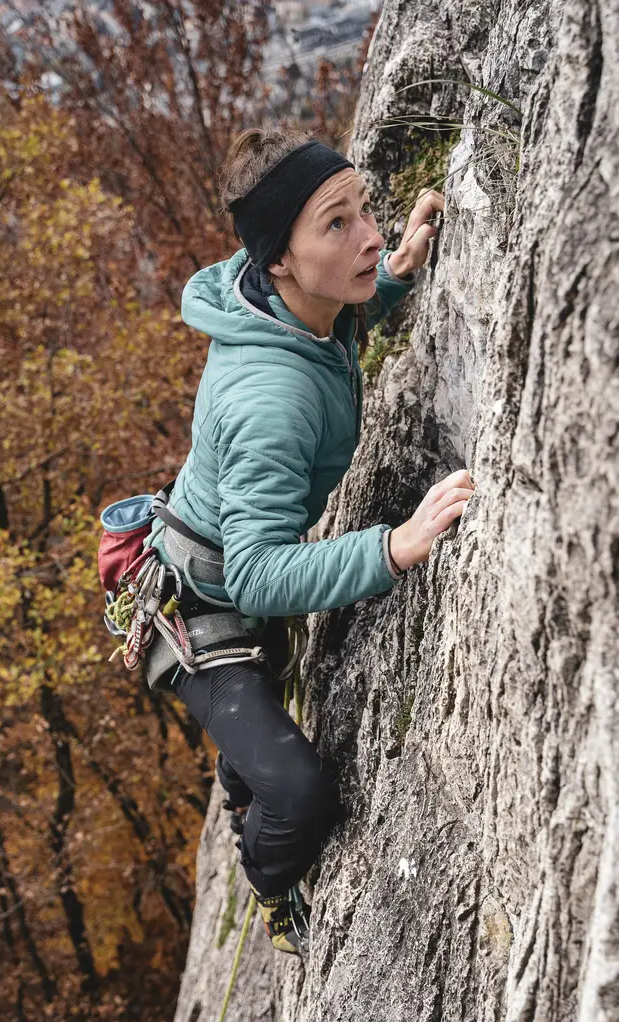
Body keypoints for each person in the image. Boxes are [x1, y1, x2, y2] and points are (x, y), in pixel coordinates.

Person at [142, 124, 475, 954]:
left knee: (263, 739)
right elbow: (254, 577)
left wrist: (392, 274)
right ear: (278, 259)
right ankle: (267, 881)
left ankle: (244, 763)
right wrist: (391, 548)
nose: (368, 233)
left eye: (364, 209)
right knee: (300, 791)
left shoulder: (292, 304)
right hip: (204, 613)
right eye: (338, 224)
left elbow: (339, 326)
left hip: (225, 567)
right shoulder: (271, 400)